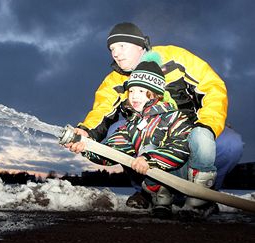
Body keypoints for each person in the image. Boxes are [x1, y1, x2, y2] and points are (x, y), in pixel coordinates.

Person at [67, 22, 243, 214]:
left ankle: (205, 195)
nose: (116, 53)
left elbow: (213, 88)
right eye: (112, 49)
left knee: (230, 143)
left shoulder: (175, 57)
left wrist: (206, 126)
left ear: (141, 45)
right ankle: (146, 191)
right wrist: (86, 136)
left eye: (122, 46)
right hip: (147, 135)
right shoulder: (114, 81)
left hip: (188, 129)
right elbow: (101, 111)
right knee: (115, 130)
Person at [81, 54, 192, 218]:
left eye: (141, 90)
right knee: (135, 145)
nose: (134, 96)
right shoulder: (132, 125)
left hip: (181, 176)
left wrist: (149, 159)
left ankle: (197, 201)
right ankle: (160, 199)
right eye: (131, 90)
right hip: (155, 181)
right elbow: (112, 152)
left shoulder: (175, 117)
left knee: (160, 147)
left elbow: (181, 147)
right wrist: (86, 146)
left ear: (156, 94)